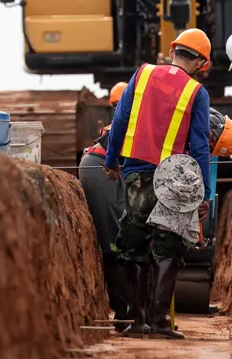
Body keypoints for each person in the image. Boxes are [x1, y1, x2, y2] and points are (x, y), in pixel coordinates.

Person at [103, 29, 213, 340]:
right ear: (201, 63)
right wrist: (203, 193)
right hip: (174, 178)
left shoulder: (143, 74)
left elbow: (120, 120)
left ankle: (136, 320)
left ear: (173, 51)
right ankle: (160, 321)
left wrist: (111, 160)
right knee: (169, 249)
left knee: (134, 245)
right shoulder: (197, 92)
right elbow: (200, 146)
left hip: (137, 172)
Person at [79, 82, 128, 327]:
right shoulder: (127, 121)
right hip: (100, 168)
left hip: (107, 168)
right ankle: (123, 313)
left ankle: (128, 310)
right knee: (114, 241)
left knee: (122, 236)